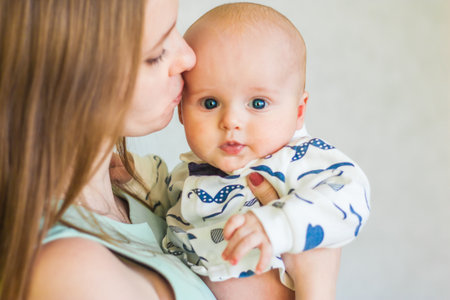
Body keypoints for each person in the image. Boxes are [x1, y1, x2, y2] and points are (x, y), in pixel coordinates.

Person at [0, 1, 341, 300]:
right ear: (72, 79)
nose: (189, 57)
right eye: (156, 53)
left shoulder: (147, 194)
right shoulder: (70, 273)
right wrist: (317, 280)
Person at [127, 3, 370, 299]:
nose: (231, 121)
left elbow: (350, 196)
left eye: (257, 103)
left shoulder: (298, 160)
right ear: (181, 110)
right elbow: (169, 198)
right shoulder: (192, 172)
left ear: (299, 110)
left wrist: (281, 225)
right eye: (210, 103)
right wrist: (134, 176)